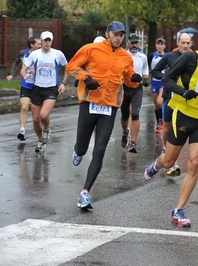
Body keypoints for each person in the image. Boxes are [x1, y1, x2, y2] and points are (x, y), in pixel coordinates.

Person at [143, 28, 198, 227]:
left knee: (194, 163)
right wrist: (183, 92)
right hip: (182, 115)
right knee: (169, 160)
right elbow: (166, 79)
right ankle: (157, 165)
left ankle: (178, 210)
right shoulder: (190, 58)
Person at [66, 21, 142, 209]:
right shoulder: (91, 49)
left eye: (121, 35)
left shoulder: (125, 57)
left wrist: (135, 80)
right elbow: (71, 66)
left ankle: (85, 193)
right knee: (83, 147)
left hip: (110, 106)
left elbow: (128, 79)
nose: (118, 38)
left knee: (100, 149)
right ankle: (78, 151)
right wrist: (86, 78)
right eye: (115, 34)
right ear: (107, 34)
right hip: (89, 103)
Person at [151, 32, 193, 176]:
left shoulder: (194, 58)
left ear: (191, 44)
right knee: (167, 128)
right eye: (183, 43)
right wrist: (167, 78)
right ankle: (166, 150)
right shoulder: (169, 57)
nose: (185, 46)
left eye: (188, 43)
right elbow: (154, 71)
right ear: (178, 43)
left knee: (182, 129)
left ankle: (173, 157)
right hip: (170, 97)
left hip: (185, 99)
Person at [20, 31, 68, 153]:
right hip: (37, 88)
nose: (47, 42)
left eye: (49, 40)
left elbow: (68, 67)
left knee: (43, 116)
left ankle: (46, 128)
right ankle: (40, 140)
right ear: (41, 41)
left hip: (51, 88)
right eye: (45, 40)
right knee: (36, 119)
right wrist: (25, 74)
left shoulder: (58, 54)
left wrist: (63, 83)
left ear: (51, 41)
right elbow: (23, 69)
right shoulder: (35, 55)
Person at [7, 36, 42, 141]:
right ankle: (22, 131)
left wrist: (37, 72)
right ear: (32, 45)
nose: (40, 45)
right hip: (26, 84)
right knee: (24, 106)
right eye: (38, 44)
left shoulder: (42, 54)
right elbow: (16, 62)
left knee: (38, 113)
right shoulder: (23, 53)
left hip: (38, 85)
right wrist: (12, 74)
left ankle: (42, 131)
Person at [120, 33, 149, 153]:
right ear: (127, 43)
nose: (134, 45)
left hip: (137, 89)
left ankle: (133, 143)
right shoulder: (122, 55)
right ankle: (125, 132)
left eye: (136, 43)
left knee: (136, 114)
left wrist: (145, 79)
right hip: (125, 88)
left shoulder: (143, 56)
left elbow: (145, 71)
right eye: (132, 43)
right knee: (125, 115)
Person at [148, 37, 167, 133]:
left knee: (160, 102)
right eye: (158, 44)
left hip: (163, 83)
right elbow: (147, 67)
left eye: (161, 44)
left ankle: (163, 121)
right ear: (156, 45)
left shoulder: (167, 56)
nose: (160, 46)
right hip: (154, 82)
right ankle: (158, 121)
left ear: (164, 46)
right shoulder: (152, 56)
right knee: (156, 105)